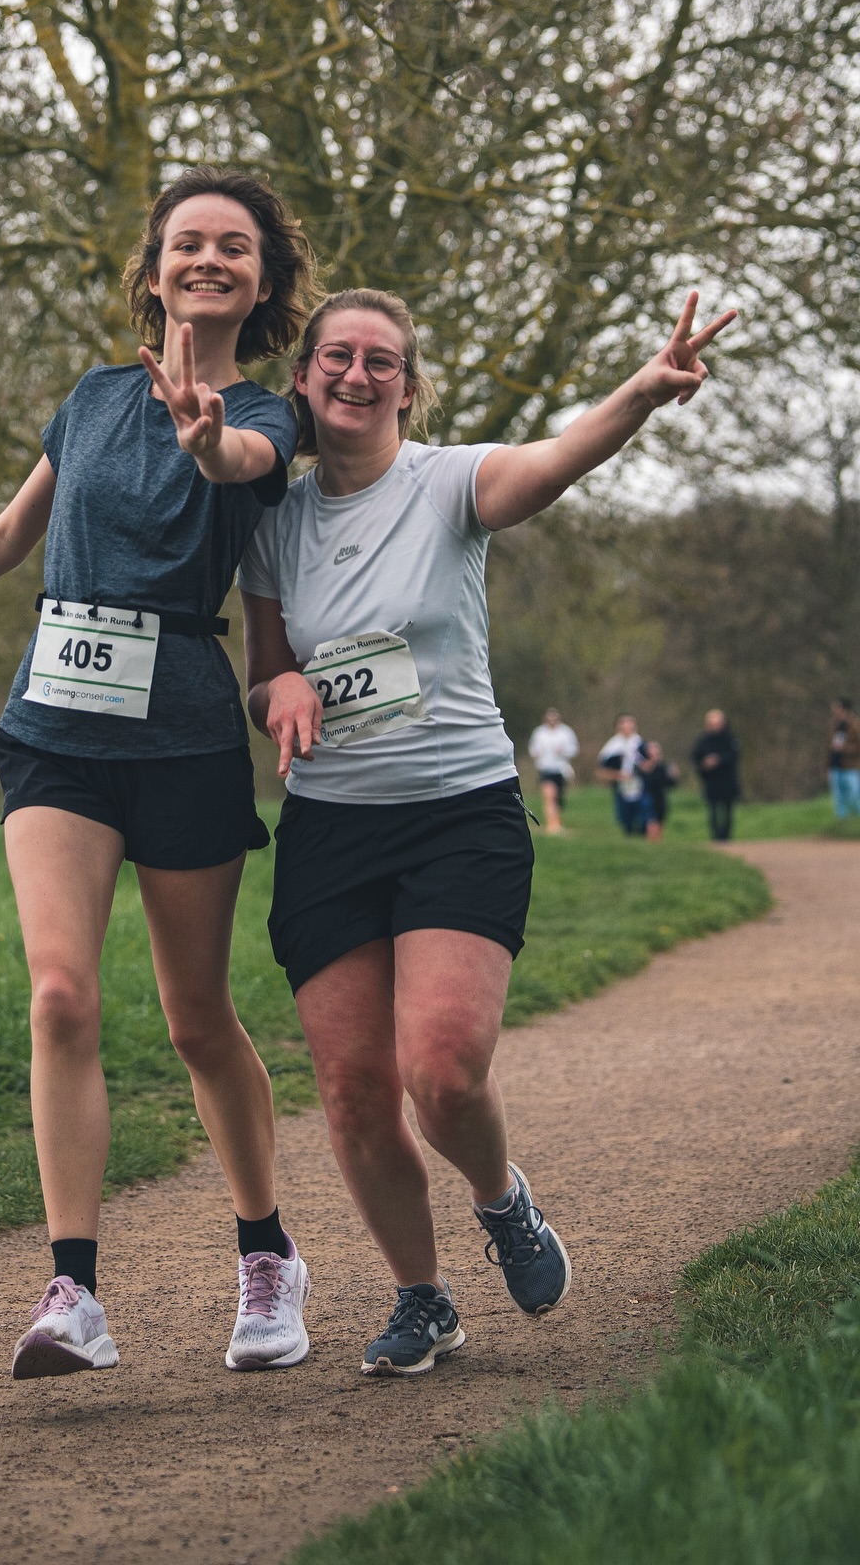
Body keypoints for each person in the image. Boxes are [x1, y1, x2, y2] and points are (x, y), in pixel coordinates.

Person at [0, 167, 317, 1379]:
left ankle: (266, 1255)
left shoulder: (272, 408)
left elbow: (242, 464)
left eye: (235, 249)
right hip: (56, 726)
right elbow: (9, 536)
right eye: (189, 243)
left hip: (187, 733)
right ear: (152, 270)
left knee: (197, 1018)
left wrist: (208, 440)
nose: (210, 259)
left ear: (261, 283)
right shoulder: (94, 399)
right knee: (60, 995)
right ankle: (74, 1290)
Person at [240, 283, 734, 1376]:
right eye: (337, 358)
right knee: (357, 1093)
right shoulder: (272, 518)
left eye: (382, 361)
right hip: (331, 829)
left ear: (410, 388)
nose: (357, 375)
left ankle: (502, 1201)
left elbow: (554, 460)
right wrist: (275, 694)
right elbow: (264, 666)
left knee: (444, 1071)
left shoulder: (451, 482)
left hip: (459, 812)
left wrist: (643, 394)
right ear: (306, 379)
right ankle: (424, 1300)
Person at [691, 710, 740, 841]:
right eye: (712, 723)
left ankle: (726, 836)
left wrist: (718, 759)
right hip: (711, 781)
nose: (714, 726)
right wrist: (704, 764)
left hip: (727, 780)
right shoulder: (703, 741)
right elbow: (695, 757)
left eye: (717, 723)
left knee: (728, 809)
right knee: (712, 809)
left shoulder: (730, 739)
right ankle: (716, 837)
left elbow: (734, 756)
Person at [527, 708, 578, 834]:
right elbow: (533, 749)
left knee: (558, 799)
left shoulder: (565, 732)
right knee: (549, 796)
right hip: (545, 768)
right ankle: (552, 825)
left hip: (561, 769)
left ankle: (556, 821)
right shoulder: (539, 733)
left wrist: (563, 751)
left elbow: (574, 749)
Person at [597, 715, 649, 836]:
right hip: (621, 787)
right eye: (623, 725)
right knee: (625, 818)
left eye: (630, 724)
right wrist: (618, 776)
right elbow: (601, 770)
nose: (627, 727)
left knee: (643, 816)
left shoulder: (641, 745)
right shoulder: (612, 747)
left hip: (641, 786)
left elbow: (650, 765)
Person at [638, 741, 679, 842]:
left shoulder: (664, 767)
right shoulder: (643, 766)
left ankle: (657, 844)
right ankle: (651, 841)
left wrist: (674, 776)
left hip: (660, 797)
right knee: (652, 821)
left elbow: (670, 784)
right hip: (647, 797)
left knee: (660, 821)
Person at [826, 699, 860, 820]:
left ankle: (857, 818)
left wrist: (843, 748)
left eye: (837, 708)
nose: (835, 710)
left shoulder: (855, 724)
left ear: (845, 709)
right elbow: (829, 747)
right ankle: (842, 822)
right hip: (835, 765)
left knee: (853, 794)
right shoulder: (834, 725)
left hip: (851, 766)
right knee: (838, 798)